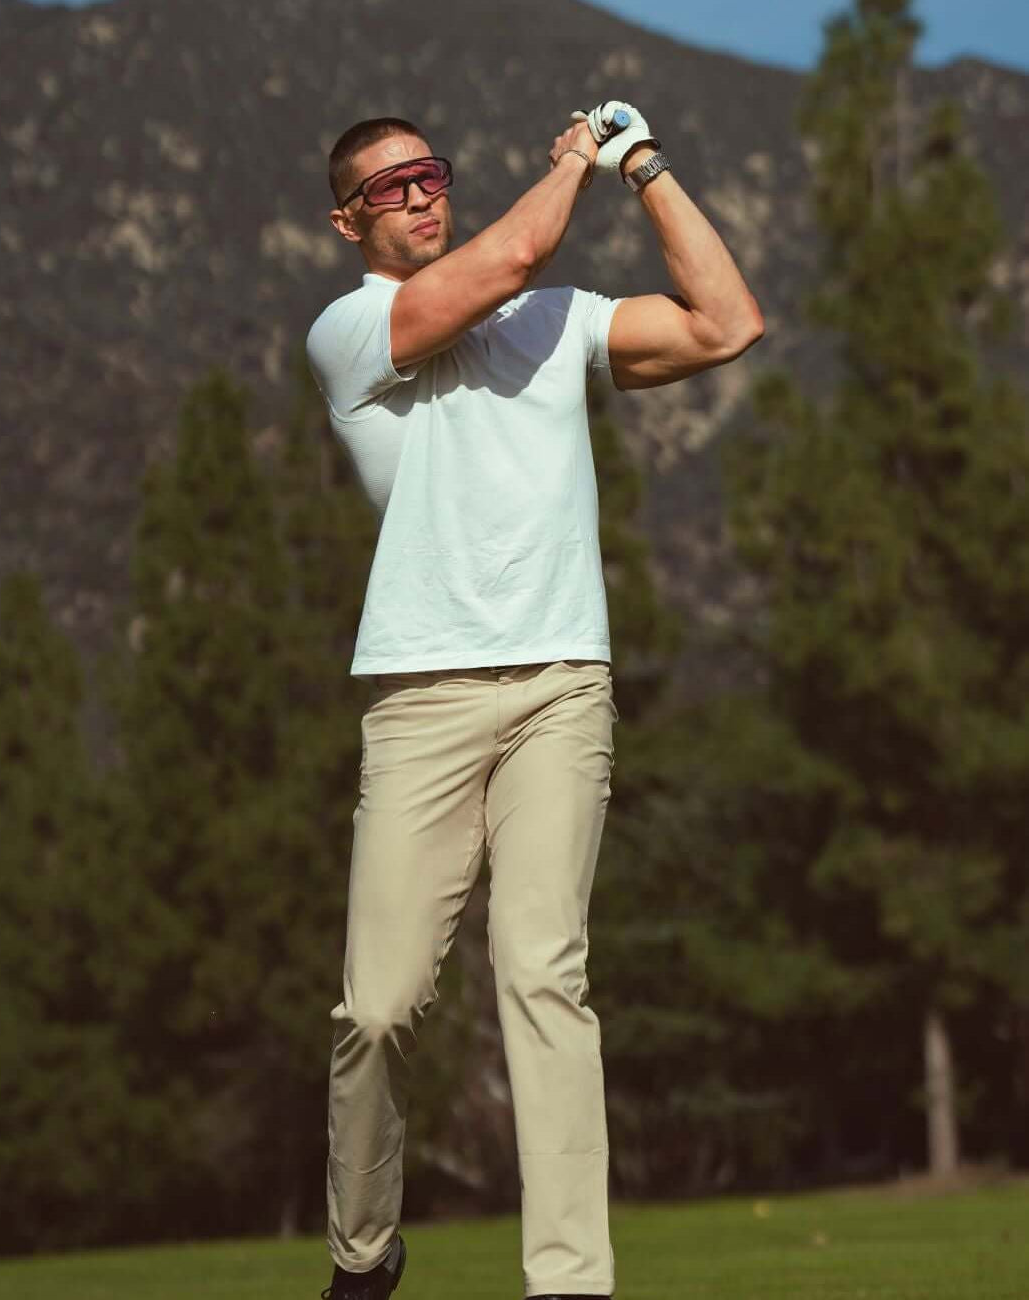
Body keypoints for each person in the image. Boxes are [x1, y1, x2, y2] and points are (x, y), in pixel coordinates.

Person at [305, 102, 763, 1300]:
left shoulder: (558, 323)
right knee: (378, 1008)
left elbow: (727, 322)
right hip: (421, 697)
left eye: (428, 174)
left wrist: (643, 166)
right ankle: (363, 1250)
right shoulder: (351, 330)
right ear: (348, 220)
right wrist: (571, 164)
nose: (418, 194)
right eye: (388, 186)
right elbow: (507, 256)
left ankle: (569, 1283)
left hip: (561, 683)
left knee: (543, 973)